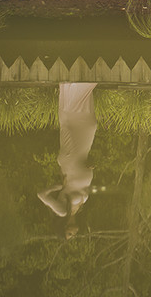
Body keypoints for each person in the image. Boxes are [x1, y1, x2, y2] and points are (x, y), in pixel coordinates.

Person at [38, 82, 99, 239]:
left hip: (71, 159)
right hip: (81, 158)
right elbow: (82, 184)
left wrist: (59, 186)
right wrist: (89, 167)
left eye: (69, 234)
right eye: (72, 235)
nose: (74, 234)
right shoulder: (76, 210)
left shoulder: (62, 211)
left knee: (70, 124)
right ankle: (79, 89)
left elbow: (41, 195)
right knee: (90, 125)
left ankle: (73, 87)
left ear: (63, 227)